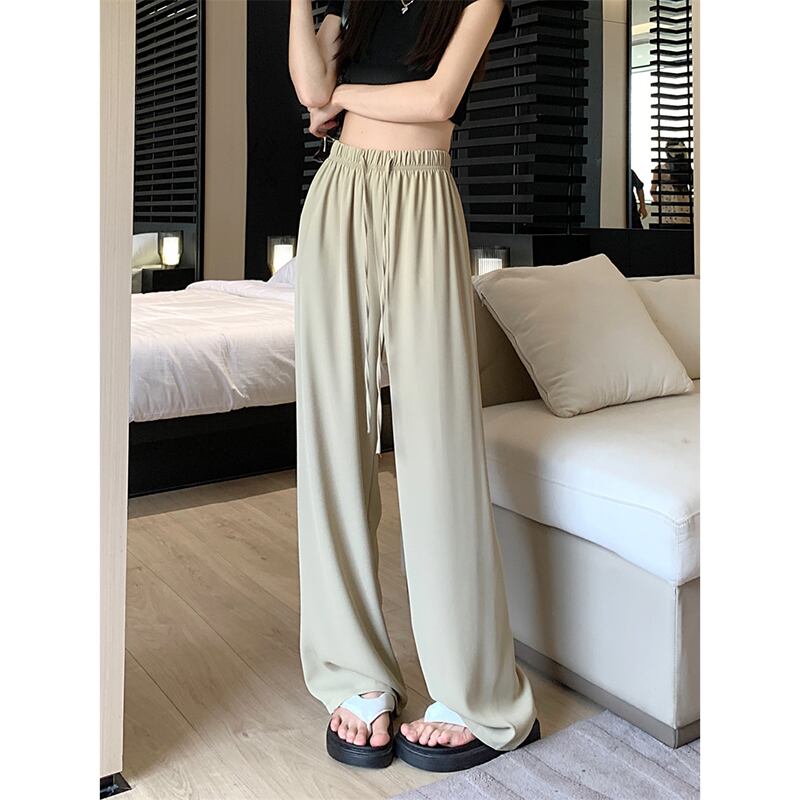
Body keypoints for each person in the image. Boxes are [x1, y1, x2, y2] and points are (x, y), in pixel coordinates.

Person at [288, 0, 539, 773]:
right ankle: (354, 672)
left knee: (438, 444)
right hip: (339, 194)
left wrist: (341, 98)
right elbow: (308, 88)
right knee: (333, 434)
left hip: (423, 196)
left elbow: (437, 99)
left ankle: (474, 689)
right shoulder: (356, 6)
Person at [651, 140, 693, 227]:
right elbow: (653, 190)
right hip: (667, 209)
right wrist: (661, 202)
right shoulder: (659, 169)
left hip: (683, 209)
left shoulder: (685, 169)